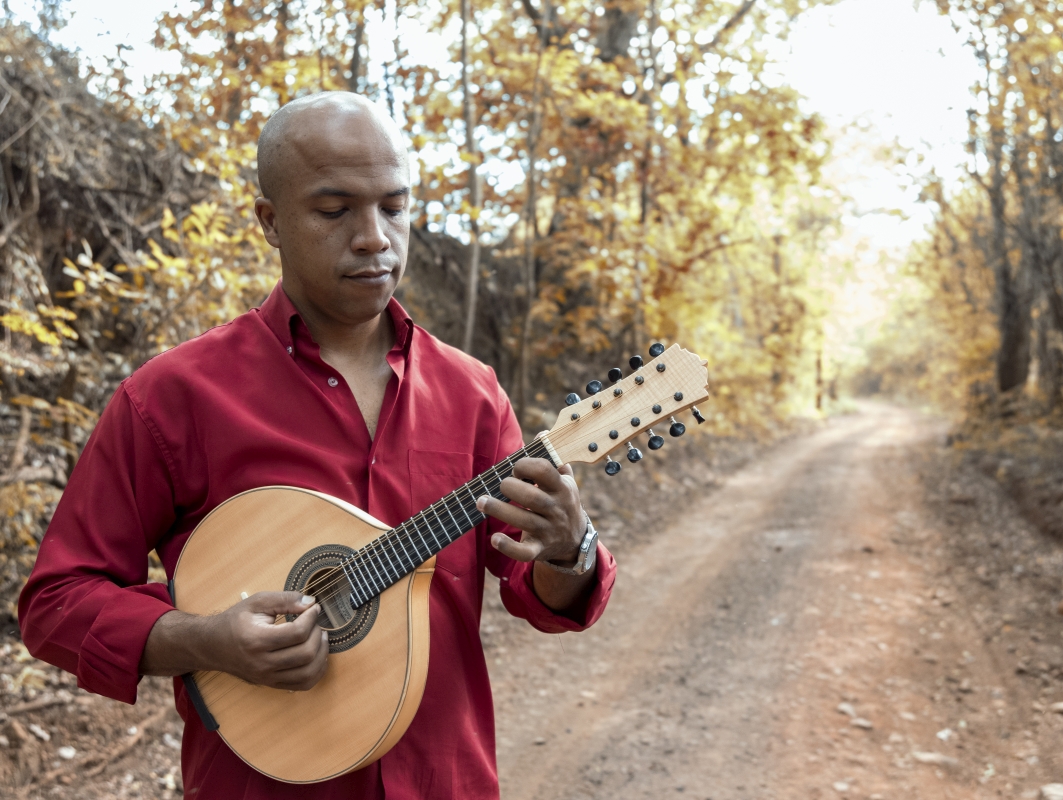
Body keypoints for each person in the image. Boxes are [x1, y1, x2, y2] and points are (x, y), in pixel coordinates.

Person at [17, 91, 616, 798]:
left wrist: (567, 549)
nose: (373, 237)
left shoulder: (473, 392)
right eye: (335, 212)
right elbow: (56, 601)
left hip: (443, 780)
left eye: (394, 207)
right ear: (269, 221)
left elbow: (538, 596)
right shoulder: (172, 397)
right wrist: (203, 640)